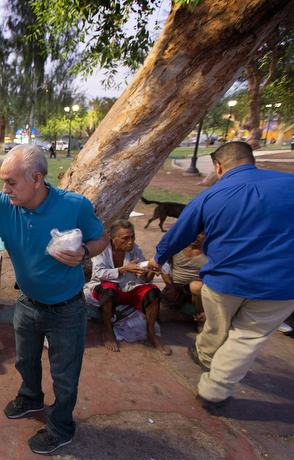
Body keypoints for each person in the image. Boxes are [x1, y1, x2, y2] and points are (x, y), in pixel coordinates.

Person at [0, 145, 107, 455]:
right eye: (3, 181)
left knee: (64, 374)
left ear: (36, 179)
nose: (4, 189)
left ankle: (61, 428)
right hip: (27, 303)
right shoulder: (2, 203)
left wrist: (85, 252)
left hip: (67, 309)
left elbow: (101, 238)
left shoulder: (74, 205)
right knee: (25, 361)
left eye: (11, 182)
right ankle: (31, 397)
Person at [147, 141, 294, 414]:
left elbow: (180, 232)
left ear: (218, 167)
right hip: (282, 284)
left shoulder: (210, 196)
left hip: (225, 281)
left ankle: (212, 385)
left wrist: (158, 257)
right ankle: (209, 366)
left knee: (219, 326)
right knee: (247, 338)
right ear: (251, 159)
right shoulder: (290, 183)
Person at [88, 219, 171, 355]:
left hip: (127, 289)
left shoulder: (135, 250)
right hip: (104, 289)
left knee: (152, 291)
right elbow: (99, 274)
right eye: (126, 238)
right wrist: (123, 269)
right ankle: (108, 330)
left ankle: (151, 334)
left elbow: (143, 279)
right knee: (109, 289)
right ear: (113, 238)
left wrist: (151, 271)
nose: (130, 242)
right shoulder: (102, 249)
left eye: (133, 237)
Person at [160, 232, 207, 331]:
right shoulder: (176, 247)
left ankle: (200, 318)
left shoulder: (210, 251)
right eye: (194, 231)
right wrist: (170, 288)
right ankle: (194, 318)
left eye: (201, 234)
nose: (196, 237)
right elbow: (164, 267)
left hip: (199, 289)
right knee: (156, 312)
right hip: (176, 287)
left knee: (196, 286)